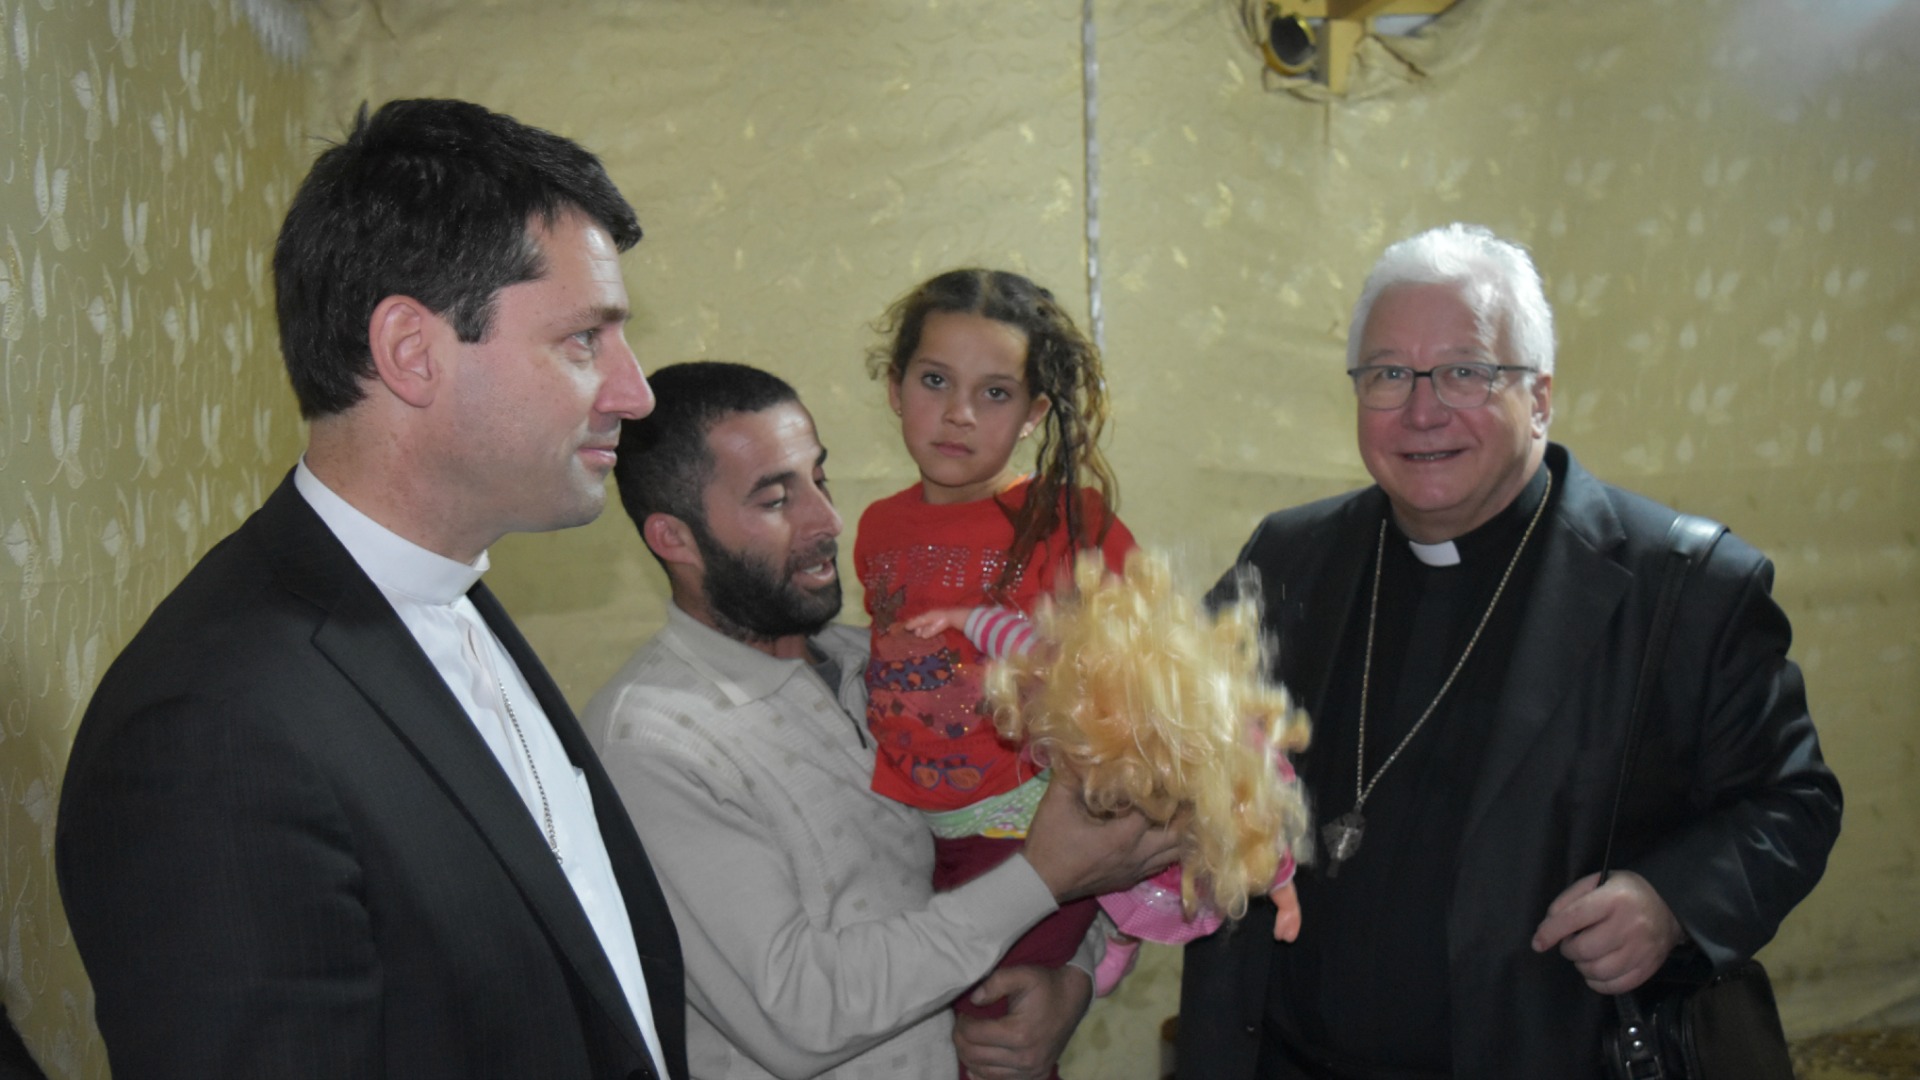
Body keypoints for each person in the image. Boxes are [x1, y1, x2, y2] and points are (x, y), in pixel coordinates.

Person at [56, 99, 686, 1080]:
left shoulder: (450, 595)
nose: (634, 392)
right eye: (583, 341)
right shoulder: (213, 731)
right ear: (411, 351)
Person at [1177, 223, 1842, 1080]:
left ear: (1539, 398)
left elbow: (1792, 802)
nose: (1422, 410)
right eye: (1387, 375)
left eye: (1465, 371)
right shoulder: (1287, 558)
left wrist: (1671, 902)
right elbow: (1169, 748)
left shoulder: (1687, 586)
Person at [585, 361, 1181, 1080]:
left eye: (819, 479)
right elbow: (797, 1012)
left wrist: (1072, 980)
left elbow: (1072, 822)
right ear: (673, 539)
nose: (827, 522)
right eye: (777, 500)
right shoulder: (654, 743)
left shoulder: (898, 664)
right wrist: (1040, 880)